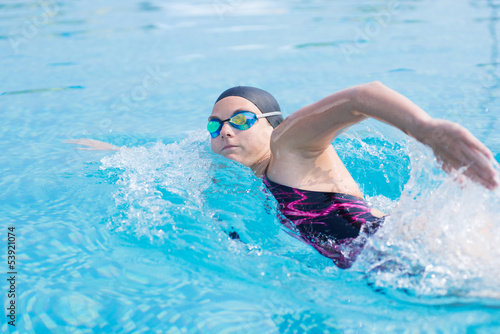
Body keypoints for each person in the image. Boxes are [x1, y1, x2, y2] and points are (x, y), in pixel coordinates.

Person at [68, 82, 499, 269]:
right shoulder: (241, 163)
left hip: (407, 249)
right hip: (383, 251)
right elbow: (168, 153)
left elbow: (361, 97)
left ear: (272, 123)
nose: (225, 132)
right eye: (215, 125)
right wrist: (114, 151)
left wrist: (426, 130)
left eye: (240, 119)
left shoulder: (290, 146)